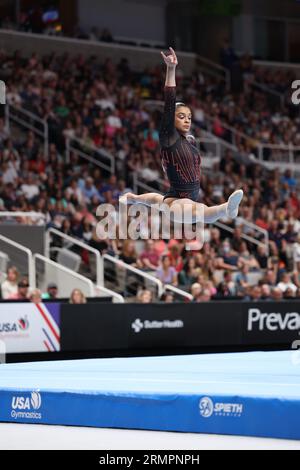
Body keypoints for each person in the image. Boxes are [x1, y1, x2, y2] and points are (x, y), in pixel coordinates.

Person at [120, 47, 243, 226]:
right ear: (171, 119)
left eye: (189, 117)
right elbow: (170, 101)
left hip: (181, 197)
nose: (187, 120)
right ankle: (226, 209)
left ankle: (133, 197)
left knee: (156, 200)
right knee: (197, 211)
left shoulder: (191, 141)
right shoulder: (169, 137)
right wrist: (171, 69)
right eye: (181, 116)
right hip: (177, 205)